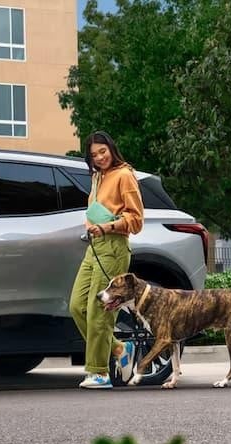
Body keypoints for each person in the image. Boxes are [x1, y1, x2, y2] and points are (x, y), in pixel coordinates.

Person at [68, 131, 145, 389]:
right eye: (94, 155)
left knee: (99, 310)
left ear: (111, 148)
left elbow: (136, 221)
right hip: (94, 246)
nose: (100, 157)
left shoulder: (124, 175)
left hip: (113, 246)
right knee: (77, 306)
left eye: (103, 151)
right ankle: (120, 348)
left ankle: (99, 373)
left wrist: (108, 227)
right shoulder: (98, 176)